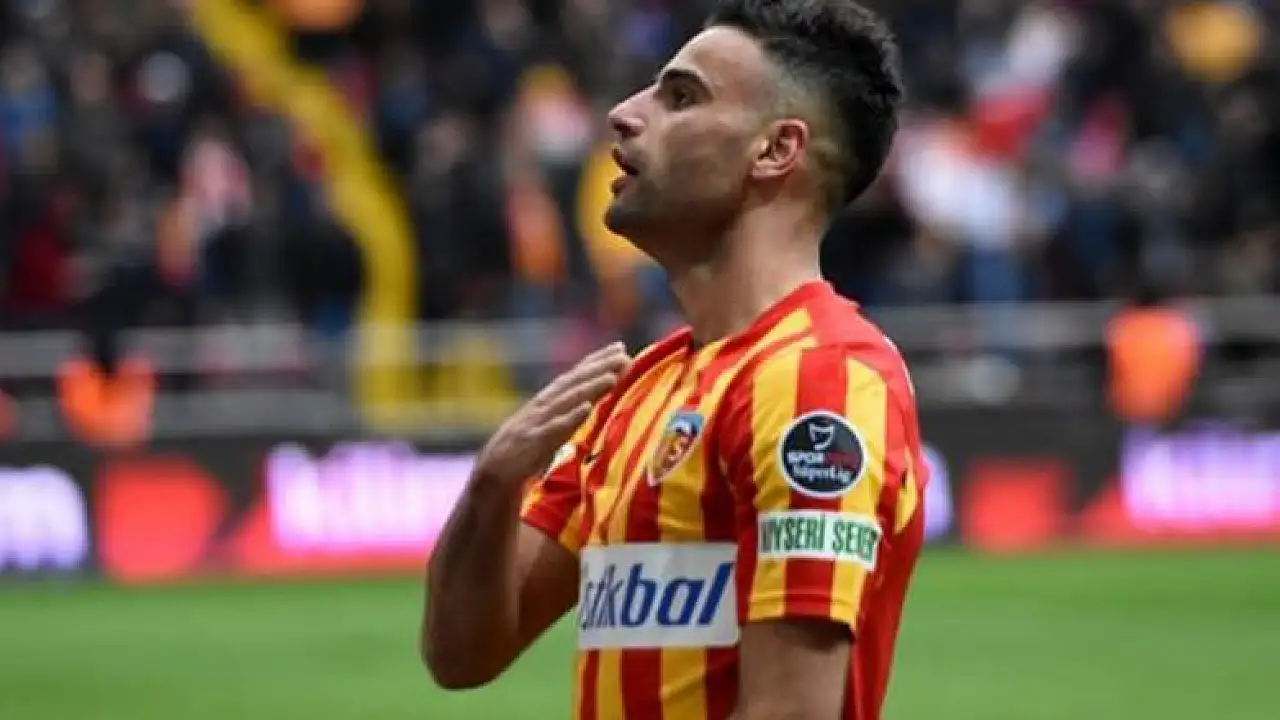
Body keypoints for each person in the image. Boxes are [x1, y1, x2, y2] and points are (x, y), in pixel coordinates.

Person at [421, 1, 928, 718]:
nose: (624, 114)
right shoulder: (642, 388)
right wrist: (492, 486)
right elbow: (462, 654)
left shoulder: (822, 379)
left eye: (681, 97)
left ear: (775, 150)